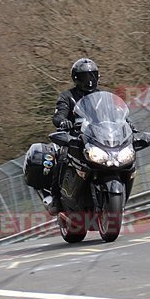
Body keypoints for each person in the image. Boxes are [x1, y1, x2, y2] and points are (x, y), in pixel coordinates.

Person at [48, 58, 100, 215]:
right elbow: (58, 116)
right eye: (85, 76)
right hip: (74, 139)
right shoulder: (67, 96)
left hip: (97, 138)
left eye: (92, 76)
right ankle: (56, 198)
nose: (89, 80)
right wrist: (63, 122)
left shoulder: (101, 96)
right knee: (62, 158)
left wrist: (127, 123)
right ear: (76, 78)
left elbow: (116, 113)